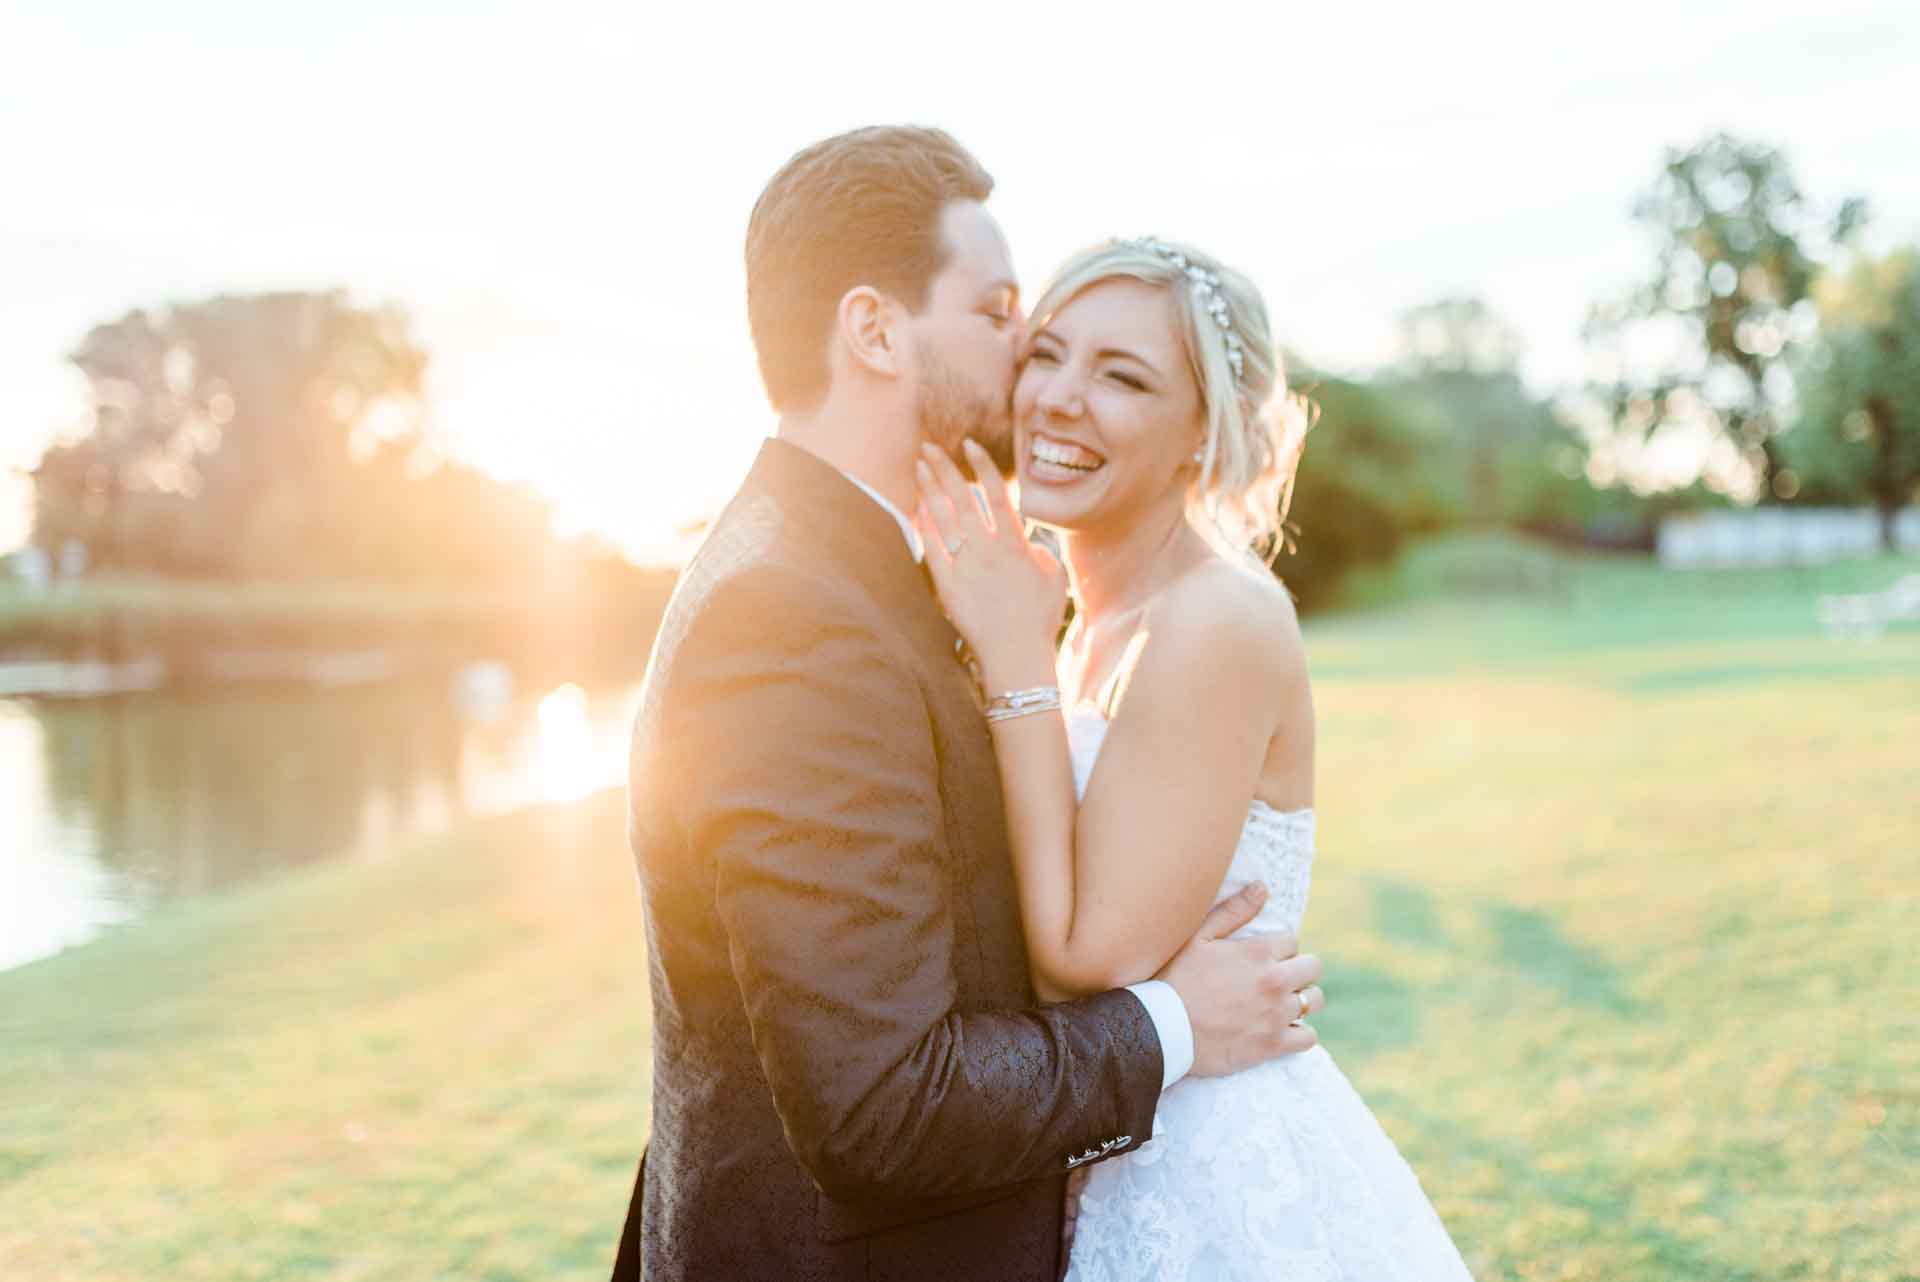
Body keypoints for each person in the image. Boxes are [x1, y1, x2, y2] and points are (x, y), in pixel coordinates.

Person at [612, 129, 1324, 1282]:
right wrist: (1177, 1023)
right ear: (876, 330)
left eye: (1115, 370)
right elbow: (881, 1102)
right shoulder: (796, 613)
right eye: (1005, 319)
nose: (1031, 375)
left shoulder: (880, 576)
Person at [913, 236, 1475, 1280]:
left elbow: (1086, 953)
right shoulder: (1090, 621)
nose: (1060, 399)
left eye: (1122, 376)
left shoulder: (1217, 617)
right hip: (1107, 1138)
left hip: (1215, 1176)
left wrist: (1013, 658)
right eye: (1049, 354)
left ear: (1201, 436)